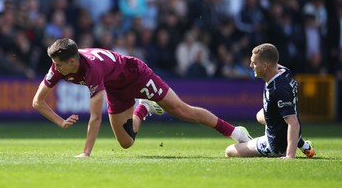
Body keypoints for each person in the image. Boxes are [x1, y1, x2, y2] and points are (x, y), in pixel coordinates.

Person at [32, 38, 252, 157]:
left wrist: (86, 154)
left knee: (181, 110)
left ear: (73, 61)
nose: (55, 68)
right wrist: (60, 121)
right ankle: (144, 108)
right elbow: (37, 101)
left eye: (59, 64)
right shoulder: (59, 66)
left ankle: (235, 132)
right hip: (116, 89)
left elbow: (95, 118)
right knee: (126, 143)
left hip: (136, 74)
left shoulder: (92, 70)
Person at [225, 43, 316, 159]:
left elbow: (293, 123)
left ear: (265, 66)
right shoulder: (284, 71)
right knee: (259, 115)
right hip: (288, 130)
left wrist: (289, 156)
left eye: (254, 63)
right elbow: (272, 58)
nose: (251, 65)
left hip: (275, 144)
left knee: (229, 151)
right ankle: (305, 146)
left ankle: (246, 139)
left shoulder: (277, 89)